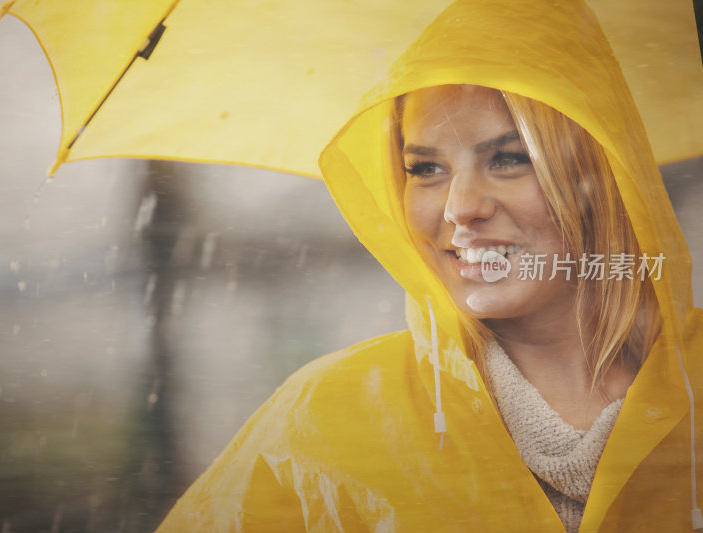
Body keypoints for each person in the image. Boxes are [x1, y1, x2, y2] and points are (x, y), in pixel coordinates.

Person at [156, 0, 702, 531]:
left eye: (509, 159)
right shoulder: (327, 421)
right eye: (425, 168)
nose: (460, 207)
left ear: (602, 173)